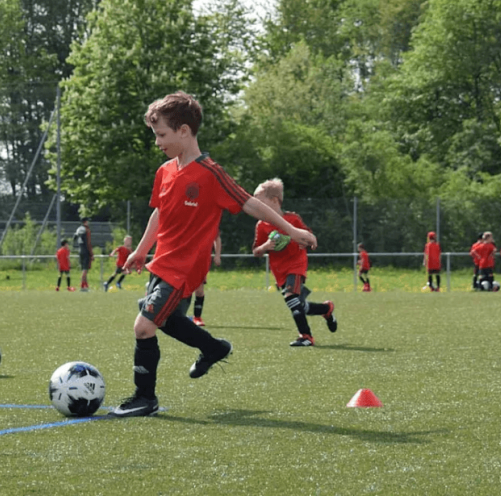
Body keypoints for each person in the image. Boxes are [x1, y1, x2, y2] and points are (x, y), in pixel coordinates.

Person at [110, 92, 317, 418]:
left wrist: (292, 231)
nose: (157, 142)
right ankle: (213, 348)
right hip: (162, 263)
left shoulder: (210, 173)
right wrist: (141, 250)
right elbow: (159, 213)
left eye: (161, 134)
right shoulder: (165, 171)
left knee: (144, 326)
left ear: (183, 131)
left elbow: (250, 203)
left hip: (185, 267)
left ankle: (144, 398)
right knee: (165, 319)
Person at [252, 178, 336, 346]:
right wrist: (266, 246)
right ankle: (326, 309)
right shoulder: (261, 225)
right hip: (279, 272)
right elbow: (256, 252)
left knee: (291, 298)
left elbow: (308, 238)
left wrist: (298, 239)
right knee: (299, 305)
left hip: (296, 266)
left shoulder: (293, 219)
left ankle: (306, 337)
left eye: (258, 201)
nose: (255, 205)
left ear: (274, 200)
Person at [190, 234, 221, 326]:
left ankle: (197, 317)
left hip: (201, 261)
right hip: (185, 259)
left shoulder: (208, 225)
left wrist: (217, 255)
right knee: (181, 290)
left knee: (199, 291)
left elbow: (217, 238)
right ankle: (176, 316)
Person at [74, 217, 93, 291]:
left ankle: (86, 285)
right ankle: (82, 286)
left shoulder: (78, 229)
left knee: (84, 269)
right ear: (86, 222)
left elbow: (74, 237)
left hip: (80, 250)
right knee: (85, 269)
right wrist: (91, 253)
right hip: (85, 250)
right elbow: (88, 242)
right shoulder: (86, 229)